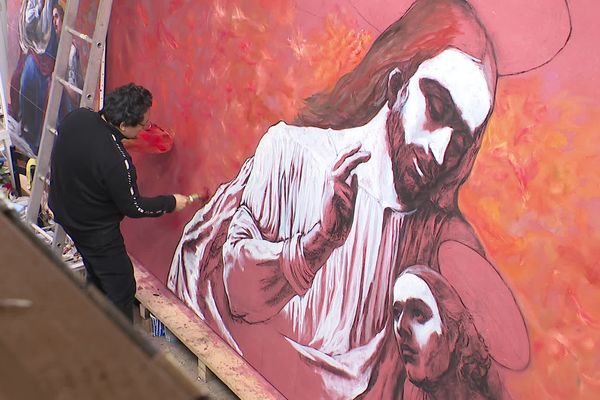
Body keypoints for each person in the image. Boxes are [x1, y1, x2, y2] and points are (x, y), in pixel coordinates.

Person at [168, 0, 567, 398]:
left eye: (461, 139)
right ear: (397, 86)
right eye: (437, 108)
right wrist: (316, 245)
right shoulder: (293, 154)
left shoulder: (440, 244)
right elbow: (238, 296)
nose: (443, 152)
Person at [49, 83, 193, 322]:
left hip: (66, 211)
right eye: (143, 125)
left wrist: (119, 141)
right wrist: (171, 202)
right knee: (122, 286)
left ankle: (92, 320)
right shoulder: (117, 160)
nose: (147, 127)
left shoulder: (77, 117)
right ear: (124, 126)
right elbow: (133, 206)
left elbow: (87, 153)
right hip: (94, 229)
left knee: (96, 271)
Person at [393, 263, 506, 399]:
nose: (401, 326)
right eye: (397, 313)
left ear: (453, 334)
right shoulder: (411, 393)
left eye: (418, 313)